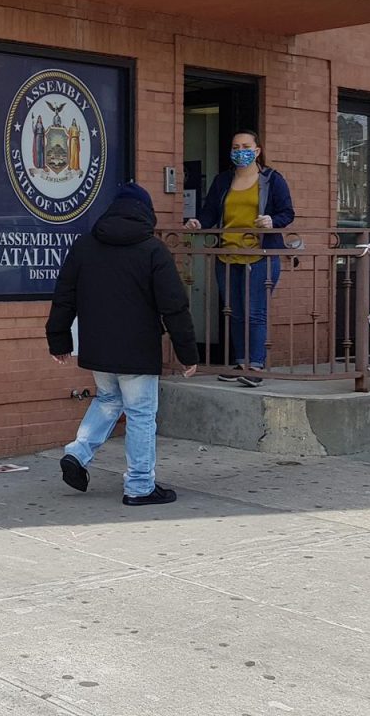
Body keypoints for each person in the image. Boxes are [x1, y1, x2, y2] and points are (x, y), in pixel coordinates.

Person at [46, 183, 198, 507]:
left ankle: (77, 452)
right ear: (146, 213)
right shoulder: (153, 250)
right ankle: (140, 486)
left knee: (107, 400)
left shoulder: (85, 246)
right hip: (138, 352)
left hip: (98, 350)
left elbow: (64, 296)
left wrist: (58, 339)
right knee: (141, 414)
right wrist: (188, 354)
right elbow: (174, 306)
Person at [184, 130, 295, 387]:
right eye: (235, 147)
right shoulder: (223, 180)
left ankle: (256, 365)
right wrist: (198, 222)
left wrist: (271, 221)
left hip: (260, 255)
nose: (239, 151)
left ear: (257, 151)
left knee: (255, 312)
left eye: (246, 146)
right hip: (227, 254)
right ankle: (241, 362)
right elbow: (210, 210)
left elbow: (287, 212)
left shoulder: (272, 179)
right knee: (233, 311)